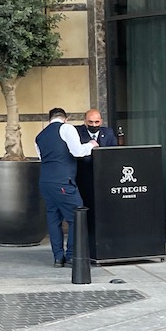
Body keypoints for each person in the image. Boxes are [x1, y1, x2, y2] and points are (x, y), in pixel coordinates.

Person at [35, 106, 94, 267]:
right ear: (65, 118)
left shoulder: (40, 136)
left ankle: (57, 257)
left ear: (49, 119)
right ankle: (71, 256)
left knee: (53, 220)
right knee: (77, 216)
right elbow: (78, 152)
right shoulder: (66, 128)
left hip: (45, 182)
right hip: (62, 181)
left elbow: (43, 158)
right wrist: (90, 144)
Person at [75, 109, 119, 255]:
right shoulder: (77, 132)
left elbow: (113, 153)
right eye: (90, 122)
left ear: (101, 121)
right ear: (84, 121)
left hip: (104, 178)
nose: (94, 125)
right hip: (83, 177)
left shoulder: (108, 132)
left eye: (97, 122)